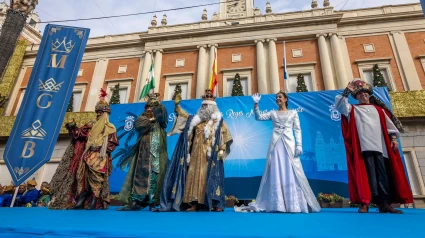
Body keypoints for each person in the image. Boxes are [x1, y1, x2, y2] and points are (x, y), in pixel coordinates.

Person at [335, 78, 413, 214]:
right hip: (363, 148)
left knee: (383, 176)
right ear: (356, 97)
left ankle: (385, 203)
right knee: (366, 176)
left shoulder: (379, 110)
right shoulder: (352, 109)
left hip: (381, 147)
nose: (363, 96)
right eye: (360, 94)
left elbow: (390, 127)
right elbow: (340, 105)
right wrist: (347, 91)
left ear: (369, 95)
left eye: (365, 94)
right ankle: (365, 203)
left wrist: (393, 139)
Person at [236, 91, 321, 213]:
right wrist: (256, 105)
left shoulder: (293, 113)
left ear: (286, 99)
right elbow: (259, 117)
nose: (278, 99)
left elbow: (297, 129)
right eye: (276, 97)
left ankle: (294, 203)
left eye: (280, 97)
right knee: (276, 168)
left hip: (289, 144)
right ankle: (278, 204)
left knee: (292, 169)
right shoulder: (273, 113)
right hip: (276, 145)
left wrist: (299, 145)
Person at [165, 89, 233, 212]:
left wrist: (222, 150)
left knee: (211, 177)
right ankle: (194, 203)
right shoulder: (195, 120)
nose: (205, 107)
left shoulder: (219, 121)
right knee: (194, 177)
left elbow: (225, 136)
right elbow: (183, 115)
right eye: (203, 105)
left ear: (213, 108)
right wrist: (176, 105)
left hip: (211, 156)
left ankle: (213, 202)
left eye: (207, 105)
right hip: (195, 155)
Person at [54, 89, 118, 210]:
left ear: (106, 114)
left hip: (99, 157)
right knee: (82, 178)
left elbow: (113, 143)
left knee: (96, 180)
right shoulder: (91, 125)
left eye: (101, 112)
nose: (99, 114)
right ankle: (80, 202)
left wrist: (100, 149)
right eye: (97, 112)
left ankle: (93, 203)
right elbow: (80, 134)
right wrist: (72, 127)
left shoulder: (110, 128)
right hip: (86, 155)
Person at [116, 93, 168, 211]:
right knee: (140, 175)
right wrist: (152, 119)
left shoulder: (161, 122)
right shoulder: (142, 118)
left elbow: (163, 117)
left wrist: (159, 107)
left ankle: (153, 202)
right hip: (143, 152)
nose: (150, 109)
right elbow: (141, 125)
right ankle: (136, 201)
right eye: (148, 107)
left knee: (156, 175)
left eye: (153, 108)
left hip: (157, 153)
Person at [49, 120, 100, 210]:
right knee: (79, 180)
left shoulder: (98, 133)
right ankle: (78, 202)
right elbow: (77, 134)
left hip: (92, 160)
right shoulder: (83, 132)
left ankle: (88, 202)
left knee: (90, 181)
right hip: (80, 160)